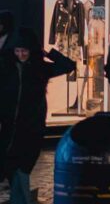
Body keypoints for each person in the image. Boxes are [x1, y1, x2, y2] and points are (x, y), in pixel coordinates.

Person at [0, 28, 75, 204]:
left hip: (31, 127)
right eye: (17, 50)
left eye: (24, 50)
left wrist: (48, 53)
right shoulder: (6, 68)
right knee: (13, 169)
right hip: (8, 127)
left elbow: (68, 65)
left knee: (23, 167)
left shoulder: (40, 69)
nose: (21, 54)